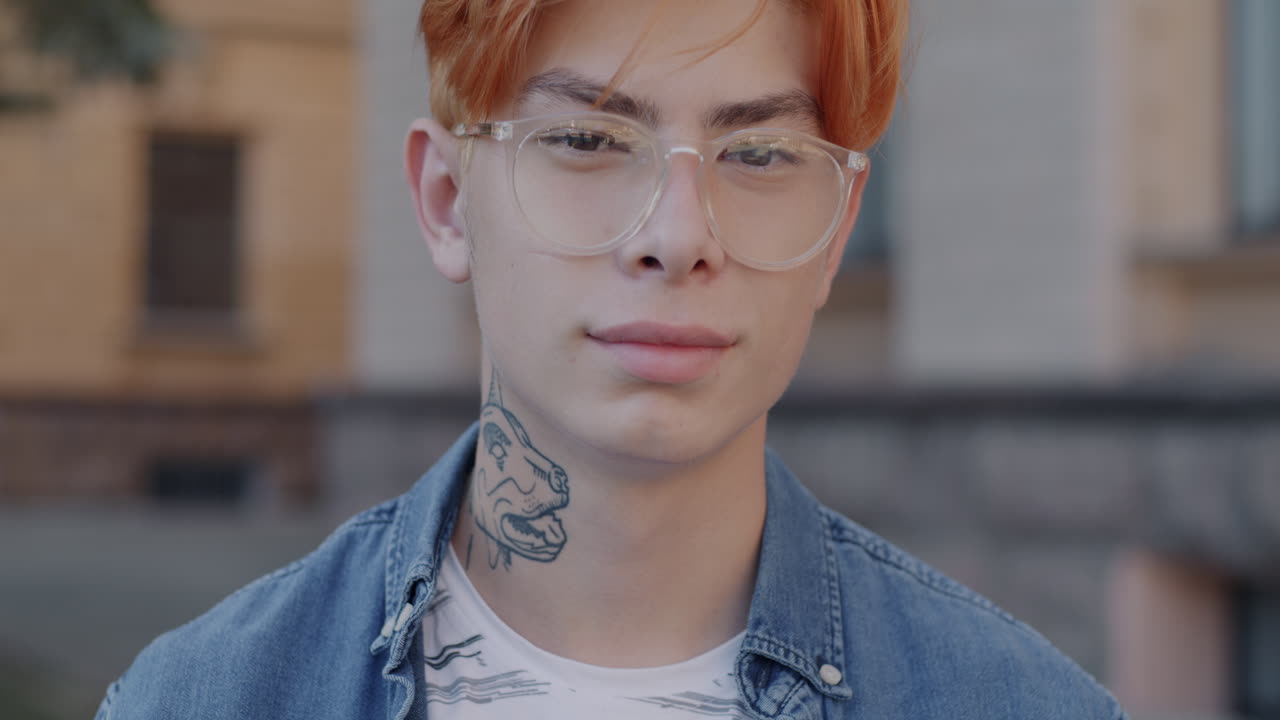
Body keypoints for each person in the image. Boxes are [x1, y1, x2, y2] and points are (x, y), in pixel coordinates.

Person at [96, 1, 1129, 718]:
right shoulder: (204, 701)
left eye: (758, 154)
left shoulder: (1020, 707)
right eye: (588, 140)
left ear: (837, 228)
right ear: (446, 203)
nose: (678, 237)